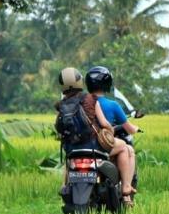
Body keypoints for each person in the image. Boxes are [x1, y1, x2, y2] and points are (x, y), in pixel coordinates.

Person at [55, 67, 134, 203]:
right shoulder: (90, 99)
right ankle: (126, 187)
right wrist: (110, 131)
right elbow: (104, 123)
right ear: (80, 82)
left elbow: (58, 128)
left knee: (69, 161)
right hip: (93, 146)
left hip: (72, 149)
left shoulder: (61, 105)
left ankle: (65, 185)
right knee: (125, 147)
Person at [84, 66, 138, 204]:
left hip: (83, 144)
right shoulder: (112, 105)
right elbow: (129, 129)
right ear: (107, 84)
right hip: (102, 145)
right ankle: (126, 188)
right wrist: (136, 129)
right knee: (126, 148)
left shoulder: (83, 102)